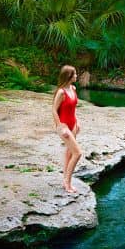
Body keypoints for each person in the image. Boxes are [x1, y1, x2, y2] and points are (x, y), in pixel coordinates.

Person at [52, 65, 82, 194]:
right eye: (75, 74)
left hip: (73, 124)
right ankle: (68, 183)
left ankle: (65, 178)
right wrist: (60, 126)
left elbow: (73, 109)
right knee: (78, 153)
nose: (76, 76)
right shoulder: (61, 92)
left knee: (70, 152)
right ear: (69, 76)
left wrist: (77, 122)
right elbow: (54, 110)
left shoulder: (73, 88)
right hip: (63, 126)